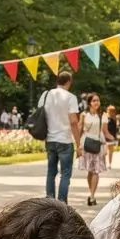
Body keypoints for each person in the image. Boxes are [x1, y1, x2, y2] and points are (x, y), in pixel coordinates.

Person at [40, 69, 80, 204]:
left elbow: (42, 115)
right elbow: (74, 122)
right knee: (66, 174)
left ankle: (50, 202)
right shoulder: (70, 97)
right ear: (68, 82)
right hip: (65, 140)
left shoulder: (46, 95)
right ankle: (62, 204)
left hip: (50, 139)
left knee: (51, 172)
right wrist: (79, 144)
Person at [78, 92, 106, 207]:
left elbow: (103, 132)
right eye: (94, 100)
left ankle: (92, 195)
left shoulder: (101, 116)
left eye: (98, 100)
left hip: (97, 145)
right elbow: (80, 130)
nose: (97, 103)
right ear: (89, 103)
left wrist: (107, 144)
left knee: (96, 171)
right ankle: (91, 193)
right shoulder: (84, 115)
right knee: (90, 171)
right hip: (86, 145)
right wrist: (78, 145)